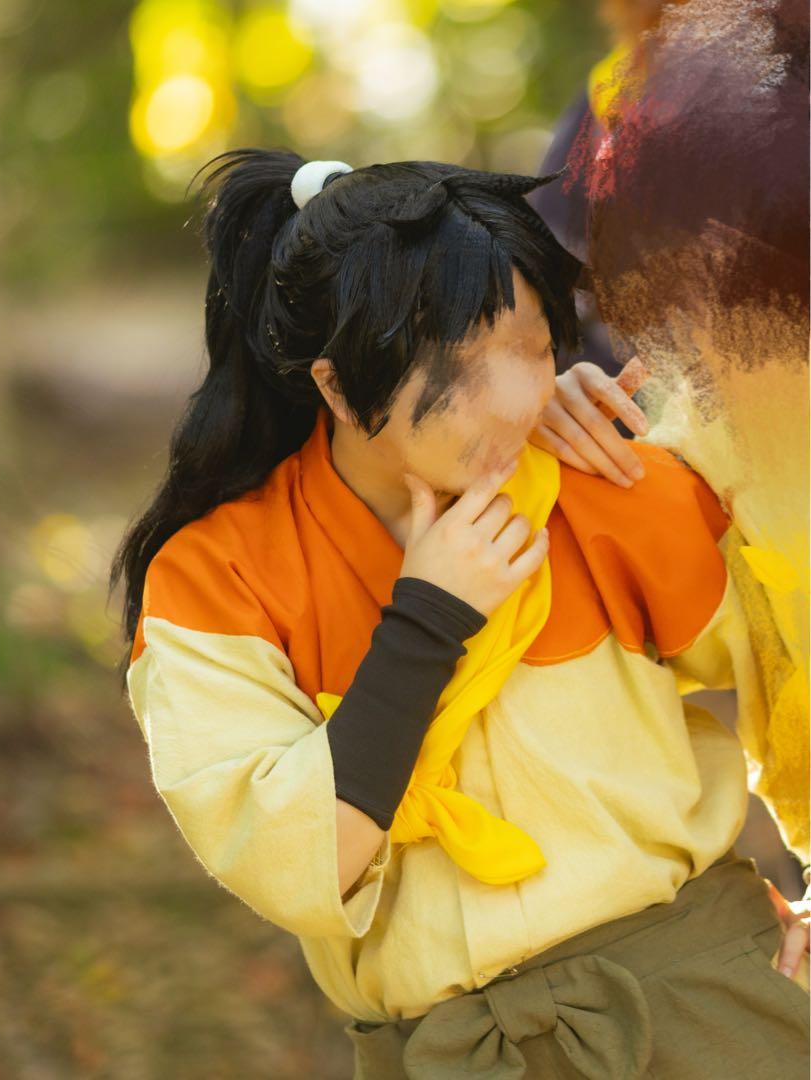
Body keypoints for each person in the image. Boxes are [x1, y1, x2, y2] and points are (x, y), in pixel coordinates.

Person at [111, 149, 810, 1078]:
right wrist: (429, 617)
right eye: (453, 364)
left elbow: (790, 637)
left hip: (711, 1013)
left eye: (528, 350)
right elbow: (296, 860)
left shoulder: (602, 486)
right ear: (332, 383)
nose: (516, 401)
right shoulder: (217, 578)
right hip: (443, 1053)